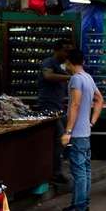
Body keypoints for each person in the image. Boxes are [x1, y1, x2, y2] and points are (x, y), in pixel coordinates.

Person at [58, 49, 102, 211]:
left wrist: (68, 131)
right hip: (86, 131)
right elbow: (99, 99)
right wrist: (92, 121)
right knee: (85, 168)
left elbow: (74, 105)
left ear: (69, 62)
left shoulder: (76, 79)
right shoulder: (88, 78)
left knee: (78, 171)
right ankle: (83, 202)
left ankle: (78, 206)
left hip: (77, 133)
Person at [38, 38, 73, 183]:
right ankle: (55, 173)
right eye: (65, 50)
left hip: (59, 107)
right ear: (57, 50)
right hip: (48, 106)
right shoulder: (48, 63)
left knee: (63, 139)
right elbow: (48, 75)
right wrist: (69, 77)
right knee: (59, 137)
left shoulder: (62, 65)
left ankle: (57, 170)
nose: (67, 53)